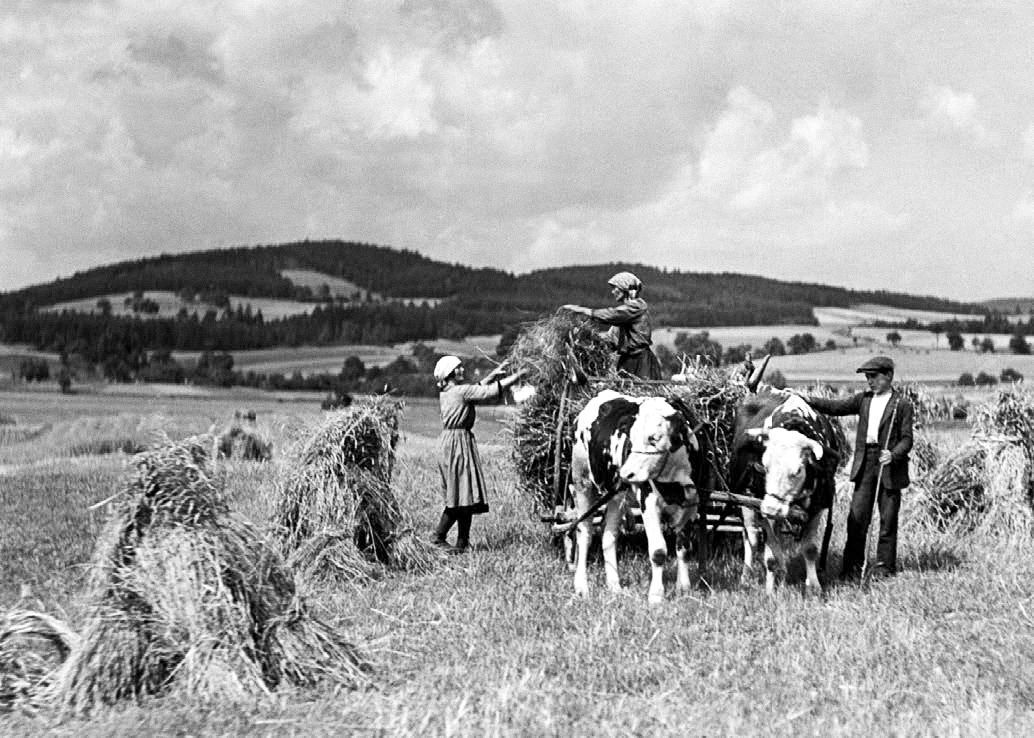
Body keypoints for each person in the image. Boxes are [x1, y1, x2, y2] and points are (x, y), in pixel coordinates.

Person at [803, 355, 914, 581]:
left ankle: (884, 568)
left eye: (874, 376)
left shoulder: (902, 405)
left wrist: (893, 454)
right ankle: (851, 567)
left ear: (889, 376)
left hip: (889, 466)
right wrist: (807, 399)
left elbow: (907, 439)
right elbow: (835, 407)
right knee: (857, 518)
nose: (870, 381)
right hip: (865, 463)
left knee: (888, 519)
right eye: (867, 377)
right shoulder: (863, 399)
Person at [432, 355, 526, 553]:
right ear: (449, 373)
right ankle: (438, 536)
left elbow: (477, 387)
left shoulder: (449, 392)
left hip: (450, 442)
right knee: (459, 494)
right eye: (458, 369)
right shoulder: (462, 391)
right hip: (458, 444)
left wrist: (493, 373)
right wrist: (520, 375)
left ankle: (463, 542)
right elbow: (488, 392)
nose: (462, 370)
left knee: (464, 493)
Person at [561, 271, 663, 379]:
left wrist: (582, 310)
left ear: (625, 288)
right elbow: (612, 338)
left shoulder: (636, 307)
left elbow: (611, 315)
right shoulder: (624, 317)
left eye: (616, 288)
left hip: (640, 363)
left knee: (642, 392)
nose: (613, 292)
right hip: (628, 360)